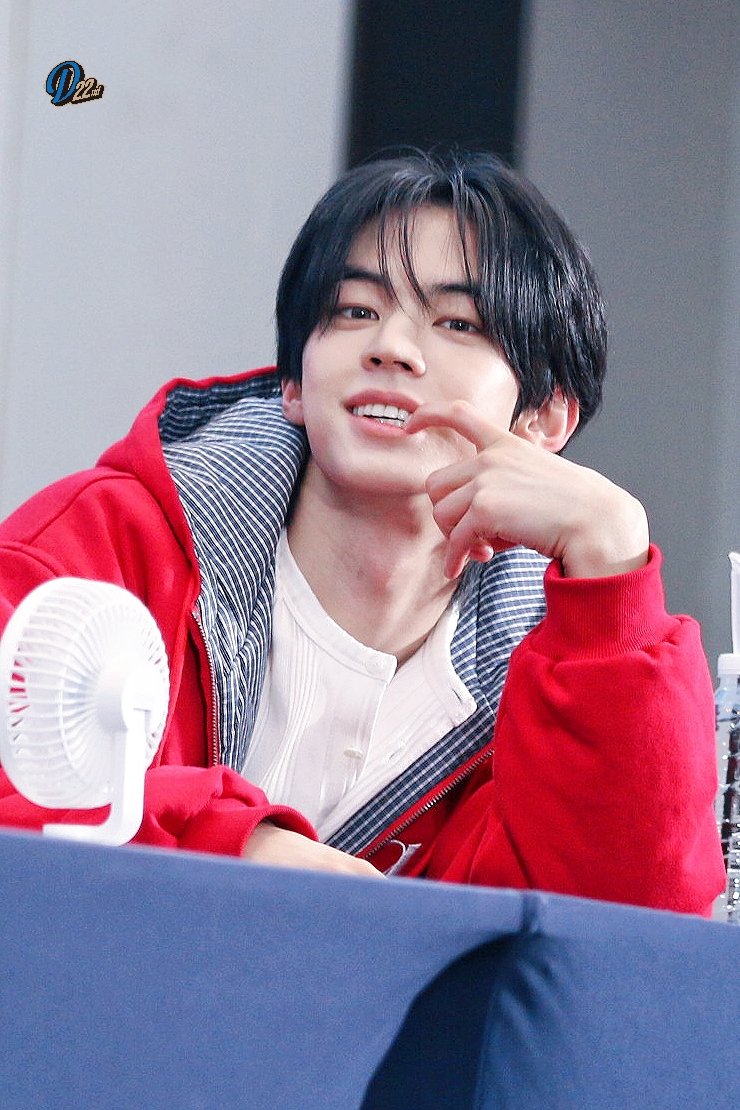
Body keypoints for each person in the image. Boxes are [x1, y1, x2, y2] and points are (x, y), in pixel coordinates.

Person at [0, 150, 723, 914]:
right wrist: (235, 847)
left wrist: (612, 569)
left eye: (457, 323)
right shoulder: (103, 542)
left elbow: (625, 928)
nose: (391, 347)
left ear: (543, 420)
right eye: (354, 311)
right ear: (293, 383)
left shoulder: (548, 670)